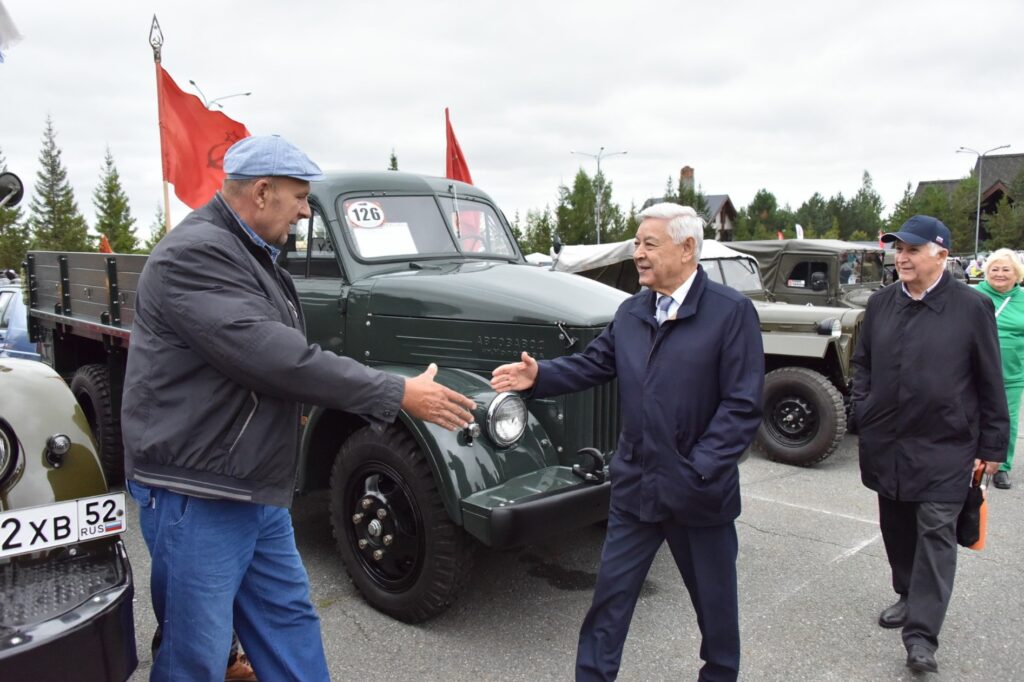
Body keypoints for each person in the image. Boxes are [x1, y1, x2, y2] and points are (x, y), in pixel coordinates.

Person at [122, 135, 476, 681]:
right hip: (201, 488)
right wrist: (397, 392)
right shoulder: (196, 254)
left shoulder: (250, 254)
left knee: (288, 620)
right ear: (262, 192)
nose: (306, 210)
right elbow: (275, 358)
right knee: (197, 652)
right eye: (301, 196)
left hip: (252, 483)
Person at [491, 203, 764, 681]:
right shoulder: (633, 310)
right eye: (636, 243)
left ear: (687, 248)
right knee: (610, 602)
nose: (638, 253)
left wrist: (698, 468)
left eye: (649, 244)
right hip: (636, 485)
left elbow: (741, 406)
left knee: (716, 608)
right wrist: (540, 377)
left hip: (698, 493)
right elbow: (595, 363)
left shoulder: (730, 313)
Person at [850, 215, 1008, 674]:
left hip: (946, 444)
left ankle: (921, 637)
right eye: (898, 249)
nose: (902, 257)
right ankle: (907, 593)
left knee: (936, 533)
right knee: (897, 526)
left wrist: (992, 446)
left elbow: (990, 378)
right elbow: (863, 363)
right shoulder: (880, 304)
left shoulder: (972, 306)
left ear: (941, 255)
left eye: (913, 250)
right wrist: (863, 408)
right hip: (888, 440)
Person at [974, 248, 1024, 489]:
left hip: (1011, 374)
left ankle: (1002, 466)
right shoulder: (973, 295)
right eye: (994, 269)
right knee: (972, 415)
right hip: (974, 372)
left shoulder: (1022, 300)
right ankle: (970, 459)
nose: (1000, 274)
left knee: (1009, 420)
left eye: (1006, 269)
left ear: (1017, 274)